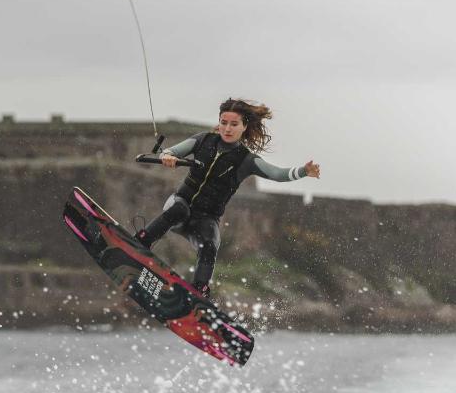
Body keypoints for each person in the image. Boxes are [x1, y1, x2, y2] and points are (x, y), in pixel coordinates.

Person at [135, 98, 321, 299]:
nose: (227, 128)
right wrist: (168, 156)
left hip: (206, 218)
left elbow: (277, 174)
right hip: (178, 206)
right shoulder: (203, 140)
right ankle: (140, 242)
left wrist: (303, 171)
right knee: (180, 210)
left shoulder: (246, 160)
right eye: (223, 122)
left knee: (210, 245)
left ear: (244, 126)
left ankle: (198, 293)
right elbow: (171, 151)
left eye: (234, 124)